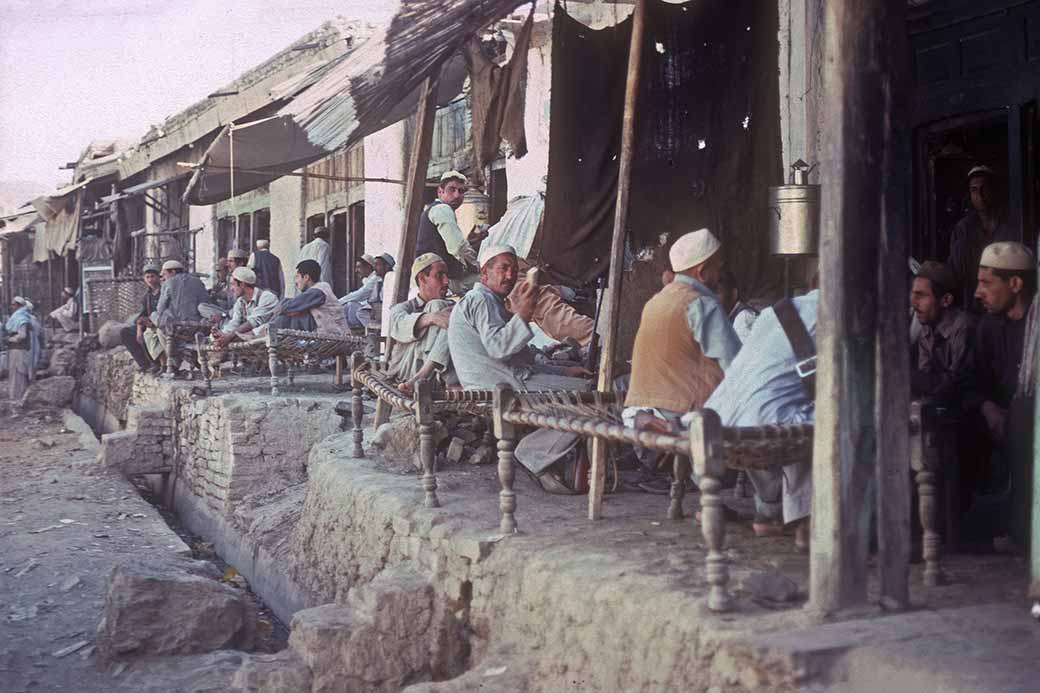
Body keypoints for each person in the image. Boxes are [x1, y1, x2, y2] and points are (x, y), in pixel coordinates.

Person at [448, 243, 592, 493]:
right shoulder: (481, 299)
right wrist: (523, 314)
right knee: (592, 399)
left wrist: (563, 372)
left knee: (584, 388)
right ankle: (532, 453)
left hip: (509, 379)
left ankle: (542, 452)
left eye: (513, 270)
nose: (510, 276)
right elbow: (499, 349)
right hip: (502, 386)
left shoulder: (491, 301)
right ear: (484, 273)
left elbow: (522, 357)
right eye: (503, 269)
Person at [621, 228, 741, 493]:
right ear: (701, 271)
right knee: (766, 414)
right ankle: (767, 508)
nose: (720, 274)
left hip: (643, 403)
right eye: (717, 267)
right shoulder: (700, 304)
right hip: (682, 409)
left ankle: (656, 421)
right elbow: (736, 365)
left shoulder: (656, 301)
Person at [701, 288, 820, 551]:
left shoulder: (774, 312)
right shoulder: (835, 316)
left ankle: (769, 513)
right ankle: (806, 523)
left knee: (785, 408)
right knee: (826, 422)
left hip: (717, 418)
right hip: (757, 424)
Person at [962, 241, 1036, 546]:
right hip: (1001, 426)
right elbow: (969, 379)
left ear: (1015, 283)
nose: (978, 292)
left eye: (986, 283)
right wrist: (987, 406)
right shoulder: (989, 326)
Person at [947, 166, 1016, 311]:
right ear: (970, 195)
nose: (980, 194)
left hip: (1005, 299)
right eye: (974, 190)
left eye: (984, 188)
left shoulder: (1010, 223)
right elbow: (956, 272)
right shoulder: (963, 229)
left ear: (994, 190)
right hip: (973, 303)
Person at [387, 253, 455, 393]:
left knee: (450, 313)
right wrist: (431, 318)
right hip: (407, 371)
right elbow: (398, 325)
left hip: (437, 374)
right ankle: (426, 376)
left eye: (446, 276)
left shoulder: (449, 306)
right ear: (422, 278)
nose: (446, 281)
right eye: (439, 275)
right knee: (437, 306)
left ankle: (427, 373)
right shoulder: (403, 308)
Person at [909, 261, 975, 403]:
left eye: (920, 295)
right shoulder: (927, 327)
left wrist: (911, 378)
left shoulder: (963, 327)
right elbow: (925, 378)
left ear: (945, 300)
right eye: (913, 294)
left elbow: (957, 385)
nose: (913, 303)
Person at [416, 171, 480, 294]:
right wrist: (476, 265)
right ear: (440, 191)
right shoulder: (442, 209)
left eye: (461, 191)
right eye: (452, 189)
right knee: (488, 281)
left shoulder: (433, 209)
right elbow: (457, 247)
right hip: (438, 279)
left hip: (429, 276)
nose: (457, 195)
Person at [147, 260, 209, 364]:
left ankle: (175, 358)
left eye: (165, 274)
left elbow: (160, 308)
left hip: (177, 327)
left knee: (155, 317)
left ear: (173, 272)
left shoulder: (168, 283)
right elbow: (206, 303)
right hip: (199, 326)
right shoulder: (198, 281)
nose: (163, 278)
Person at [269, 259, 349, 335]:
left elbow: (288, 306)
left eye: (297, 277)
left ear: (306, 277)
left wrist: (279, 310)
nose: (295, 282)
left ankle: (268, 333)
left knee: (286, 316)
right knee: (291, 313)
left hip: (335, 336)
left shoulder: (318, 291)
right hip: (327, 333)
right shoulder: (318, 290)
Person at [119, 264, 163, 372]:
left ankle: (156, 363)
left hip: (160, 323)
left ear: (158, 277)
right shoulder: (147, 296)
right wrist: (139, 328)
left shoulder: (164, 292)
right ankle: (144, 364)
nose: (150, 280)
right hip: (147, 323)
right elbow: (142, 314)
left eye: (152, 276)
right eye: (147, 277)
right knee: (125, 332)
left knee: (149, 334)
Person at [4, 297, 41, 402]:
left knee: (18, 373)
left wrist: (10, 339)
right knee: (14, 373)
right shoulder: (19, 317)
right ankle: (16, 396)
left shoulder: (21, 318)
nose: (12, 306)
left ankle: (18, 397)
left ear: (19, 306)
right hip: (15, 349)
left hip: (19, 350)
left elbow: (22, 335)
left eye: (13, 304)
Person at [339, 254, 381, 329]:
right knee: (347, 306)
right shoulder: (368, 279)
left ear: (368, 267)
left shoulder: (375, 278)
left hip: (375, 311)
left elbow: (360, 295)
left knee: (350, 305)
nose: (356, 271)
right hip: (370, 310)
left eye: (359, 267)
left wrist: (338, 302)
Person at [717, 268, 758, 343]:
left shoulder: (743, 318)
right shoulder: (726, 319)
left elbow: (747, 353)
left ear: (734, 294)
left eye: (717, 294)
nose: (713, 299)